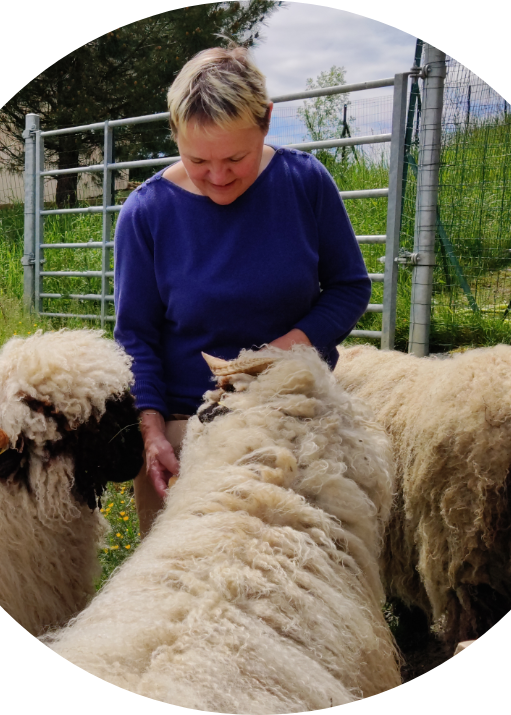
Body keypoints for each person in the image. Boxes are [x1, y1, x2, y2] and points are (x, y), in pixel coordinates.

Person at [114, 45, 371, 534]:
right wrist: (153, 436)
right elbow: (136, 338)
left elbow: (348, 286)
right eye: (197, 160)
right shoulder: (146, 214)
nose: (217, 176)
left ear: (267, 122)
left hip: (296, 419)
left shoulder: (305, 183)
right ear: (174, 133)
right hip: (188, 429)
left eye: (236, 157)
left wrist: (273, 357)